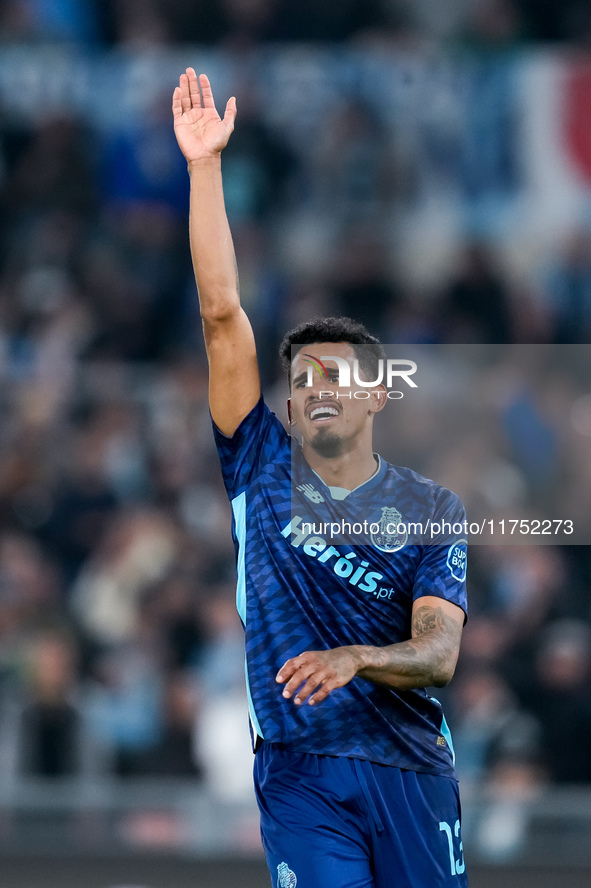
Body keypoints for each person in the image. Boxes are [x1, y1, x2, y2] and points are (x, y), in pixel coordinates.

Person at [173, 68, 468, 888]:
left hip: (409, 771)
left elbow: (438, 654)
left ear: (376, 393)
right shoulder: (256, 463)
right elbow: (221, 315)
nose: (315, 393)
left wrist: (357, 658)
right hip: (300, 770)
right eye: (301, 380)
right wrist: (204, 171)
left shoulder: (430, 509)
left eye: (335, 378)